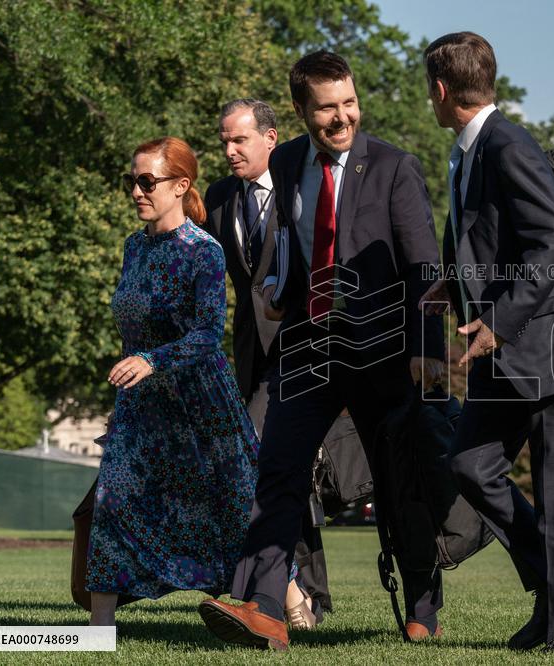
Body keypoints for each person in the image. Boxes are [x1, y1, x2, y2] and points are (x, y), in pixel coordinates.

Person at [198, 50, 446, 650]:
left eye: (349, 103)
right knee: (277, 469)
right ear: (302, 110)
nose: (342, 118)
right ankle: (264, 610)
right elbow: (290, 240)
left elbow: (426, 268)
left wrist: (429, 348)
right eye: (328, 108)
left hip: (383, 352)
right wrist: (282, 289)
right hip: (307, 348)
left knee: (395, 479)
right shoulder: (283, 163)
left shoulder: (393, 167)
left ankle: (421, 603)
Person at [420, 32, 554, 653]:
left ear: (440, 89)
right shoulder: (474, 149)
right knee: (471, 464)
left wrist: (500, 321)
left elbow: (552, 240)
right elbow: (489, 241)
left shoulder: (507, 145)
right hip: (509, 347)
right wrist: (450, 288)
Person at [87, 137, 259, 627]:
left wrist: (152, 359)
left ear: (181, 185)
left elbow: (207, 334)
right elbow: (132, 328)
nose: (137, 192)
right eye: (132, 182)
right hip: (142, 406)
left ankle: (290, 603)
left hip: (200, 403)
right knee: (113, 501)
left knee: (234, 507)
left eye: (147, 182)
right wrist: (127, 385)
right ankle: (100, 629)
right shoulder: (133, 248)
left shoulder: (203, 251)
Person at [203, 98, 330, 629]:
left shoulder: (307, 188)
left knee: (258, 467)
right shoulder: (217, 197)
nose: (230, 151)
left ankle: (275, 593)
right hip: (251, 359)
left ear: (271, 138)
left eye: (240, 140)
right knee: (282, 473)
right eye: (225, 141)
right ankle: (306, 594)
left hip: (306, 352)